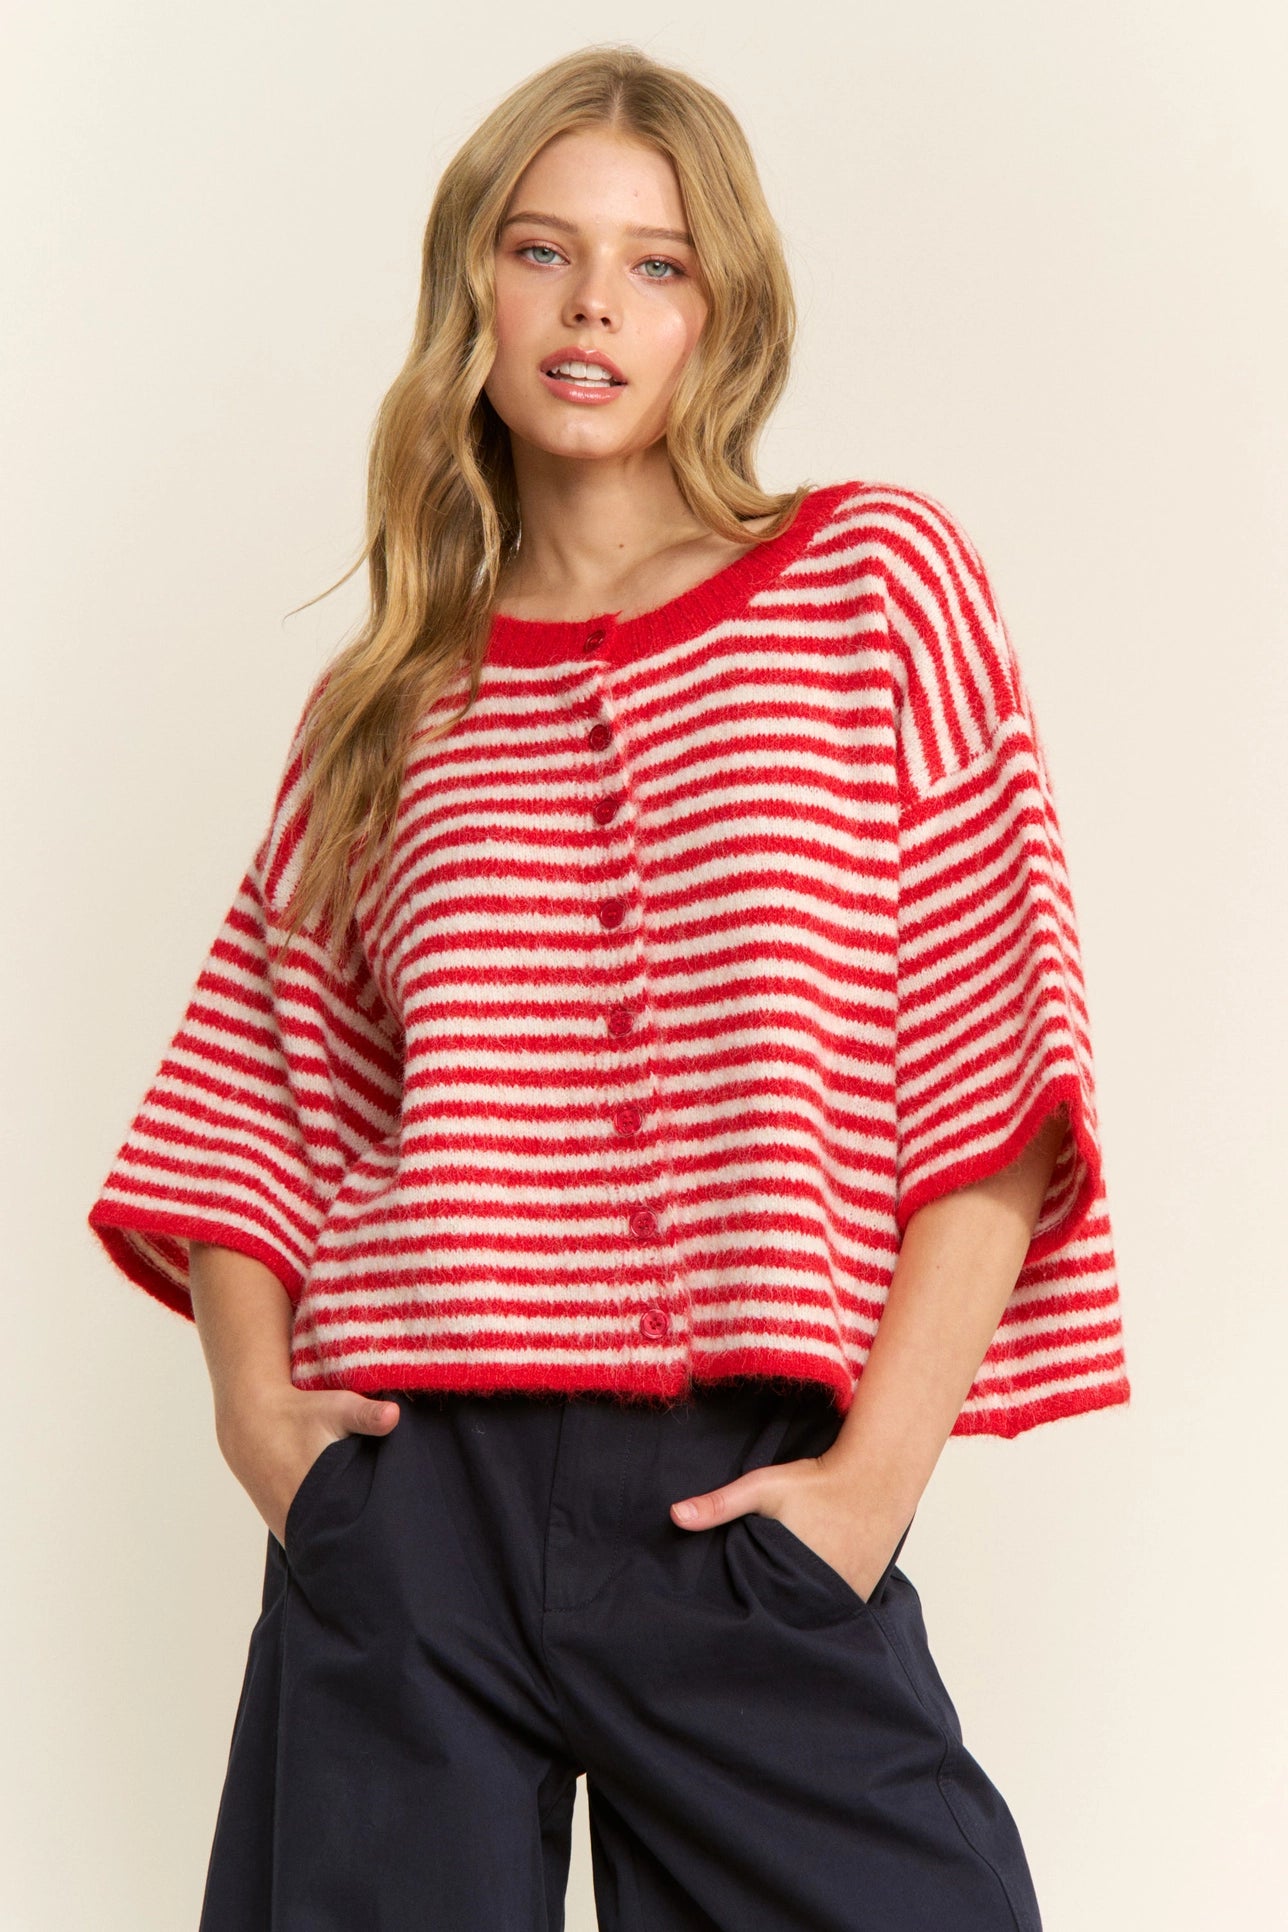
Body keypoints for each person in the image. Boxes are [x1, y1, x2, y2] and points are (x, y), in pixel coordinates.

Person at [87, 42, 1131, 1932]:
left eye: (658, 264)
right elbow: (256, 1090)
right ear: (471, 286)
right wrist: (263, 1425)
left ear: (720, 313)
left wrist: (868, 1488)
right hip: (416, 1512)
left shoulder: (871, 585)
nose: (593, 307)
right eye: (542, 250)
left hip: (745, 1496)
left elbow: (995, 1061)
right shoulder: (384, 704)